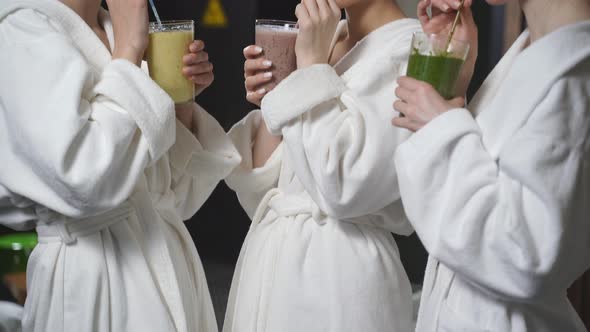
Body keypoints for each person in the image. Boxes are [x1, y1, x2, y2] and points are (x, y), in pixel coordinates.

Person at [0, 0, 240, 331]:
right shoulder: (21, 29)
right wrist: (129, 48)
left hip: (168, 267)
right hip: (92, 282)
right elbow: (82, 180)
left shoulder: (115, 27)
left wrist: (178, 103)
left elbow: (172, 196)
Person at [392, 0, 590, 331]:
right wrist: (452, 92)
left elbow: (526, 255)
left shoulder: (574, 74)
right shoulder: (534, 49)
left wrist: (441, 127)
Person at [223, 0, 421, 330]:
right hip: (269, 264)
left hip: (341, 278)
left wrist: (311, 67)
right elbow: (265, 189)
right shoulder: (324, 38)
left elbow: (344, 186)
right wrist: (276, 97)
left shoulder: (412, 51)